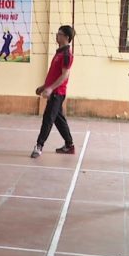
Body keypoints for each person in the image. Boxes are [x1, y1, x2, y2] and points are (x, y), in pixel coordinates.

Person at [31, 25, 76, 158]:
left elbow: (64, 75)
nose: (57, 35)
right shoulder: (59, 52)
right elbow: (53, 74)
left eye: (60, 34)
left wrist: (50, 89)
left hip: (57, 93)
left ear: (66, 37)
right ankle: (69, 145)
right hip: (52, 90)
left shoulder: (67, 54)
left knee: (48, 118)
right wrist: (44, 86)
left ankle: (39, 146)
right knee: (58, 119)